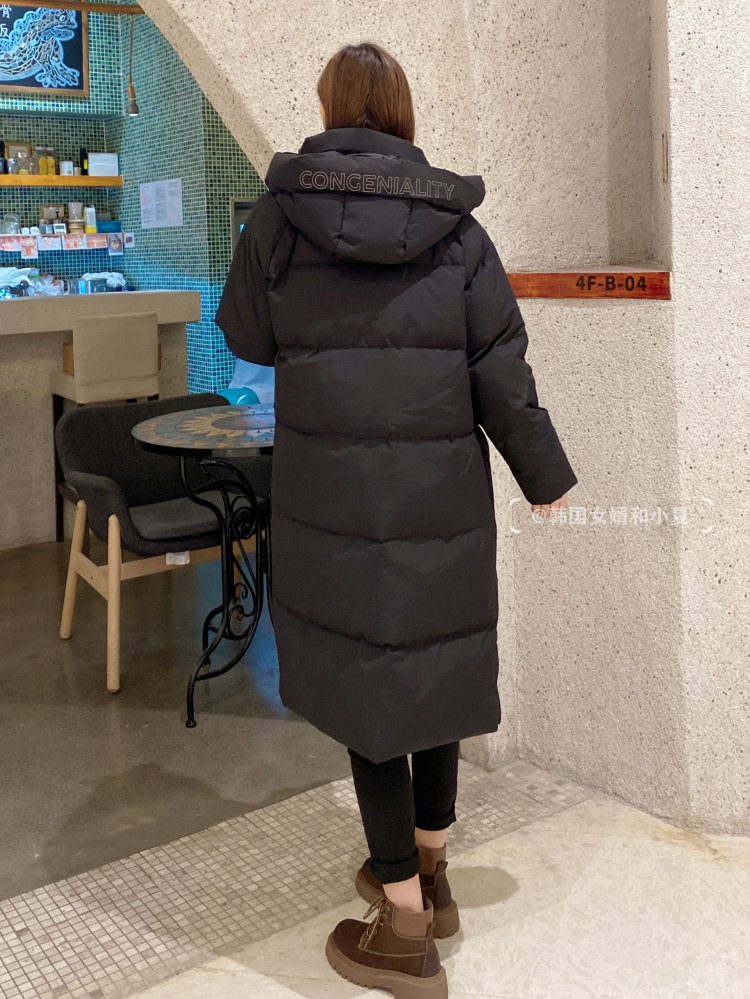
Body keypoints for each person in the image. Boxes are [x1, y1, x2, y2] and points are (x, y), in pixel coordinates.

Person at [216, 41, 577, 999]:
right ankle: (433, 870)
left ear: (329, 109)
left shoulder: (279, 220)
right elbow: (500, 367)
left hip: (331, 499)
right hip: (439, 495)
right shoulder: (457, 229)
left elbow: (246, 333)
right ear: (405, 115)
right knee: (430, 669)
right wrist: (543, 473)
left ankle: (405, 926)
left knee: (365, 688)